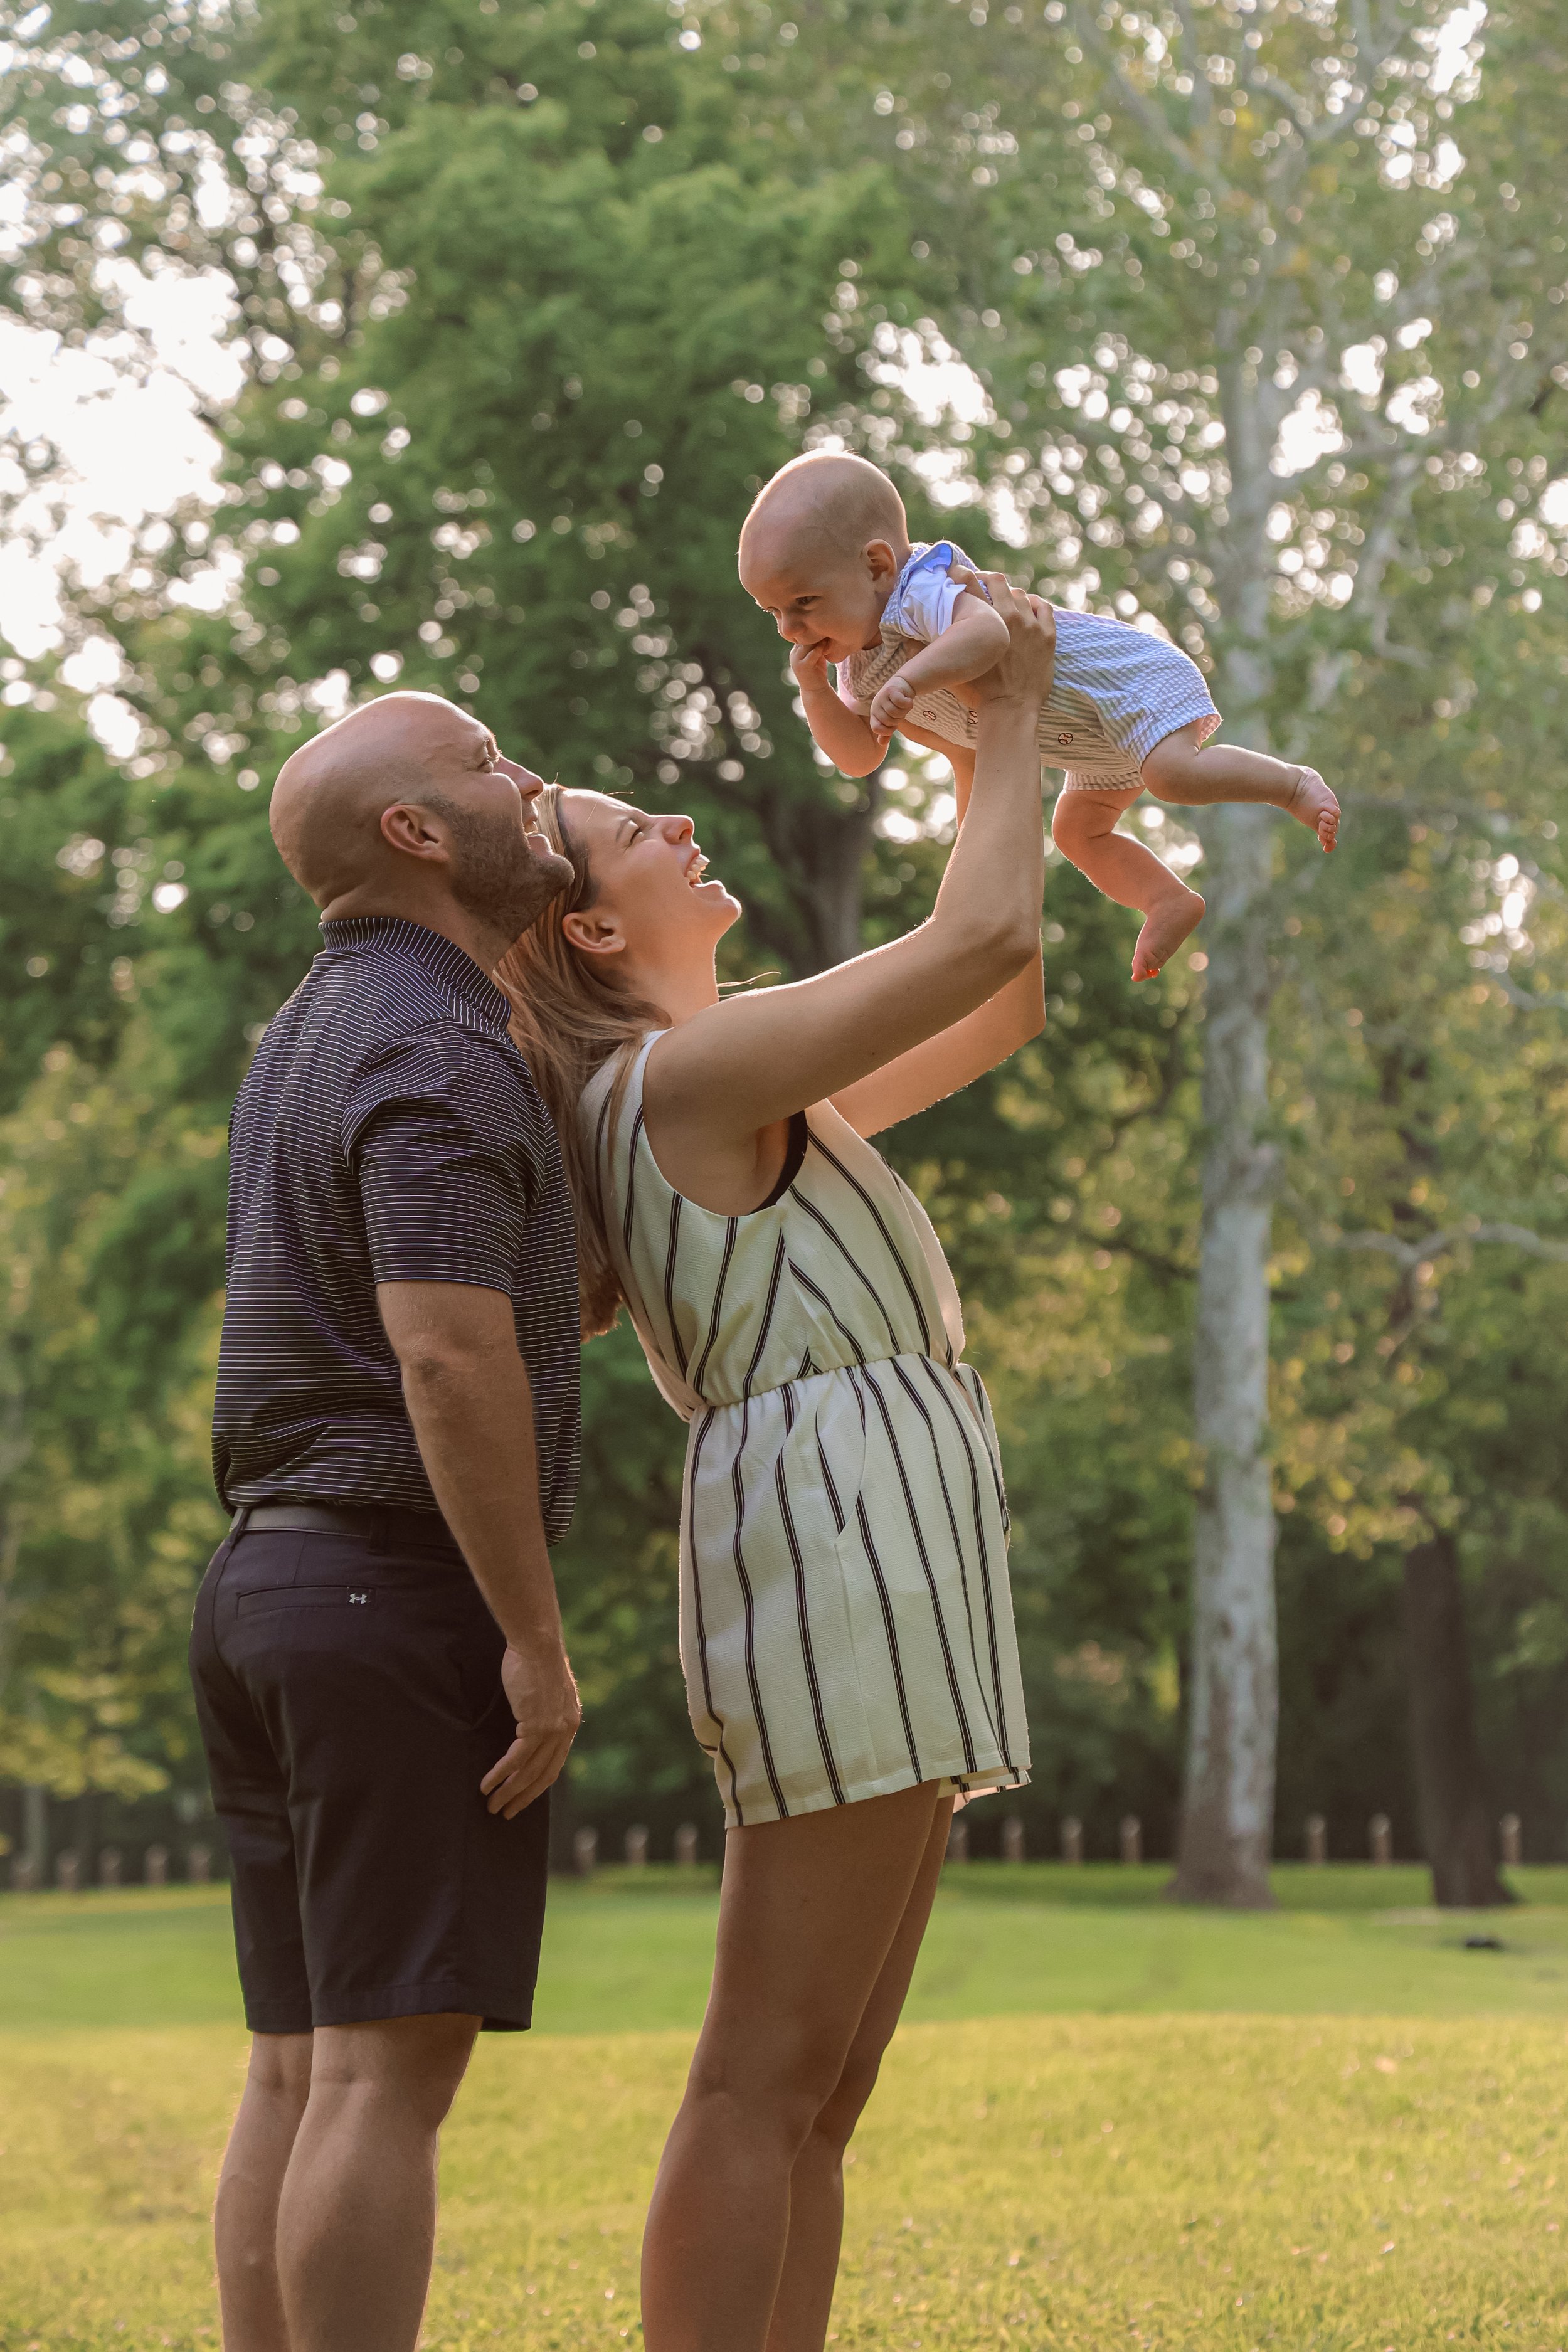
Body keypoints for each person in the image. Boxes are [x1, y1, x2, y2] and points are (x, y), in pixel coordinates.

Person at [501, 580, 1051, 2352]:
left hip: (879, 1537)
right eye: (620, 828)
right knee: (761, 2077)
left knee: (819, 2090)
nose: (670, 816)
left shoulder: (729, 1078)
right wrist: (1020, 693)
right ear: (590, 930)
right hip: (838, 1550)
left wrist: (956, 721)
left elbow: (1004, 987)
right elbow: (972, 947)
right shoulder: (677, 1082)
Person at [190, 691, 583, 2352]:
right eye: (487, 765)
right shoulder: (432, 1039)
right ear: (414, 833)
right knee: (378, 2072)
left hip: (266, 1586)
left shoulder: (312, 1029)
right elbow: (442, 1346)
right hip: (381, 1590)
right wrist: (534, 1637)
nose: (526, 781)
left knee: (300, 2060)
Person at [738, 449, 1340, 983]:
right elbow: (859, 756)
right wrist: (817, 694)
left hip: (1122, 684)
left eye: (804, 603)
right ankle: (1165, 898)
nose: (791, 629)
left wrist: (913, 678)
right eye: (773, 614)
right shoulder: (856, 664)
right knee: (1077, 832)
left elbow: (989, 635)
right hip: (1087, 743)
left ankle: (1291, 784)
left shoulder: (919, 590)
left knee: (1172, 775)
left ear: (875, 566)